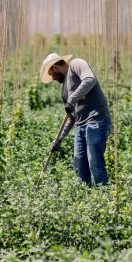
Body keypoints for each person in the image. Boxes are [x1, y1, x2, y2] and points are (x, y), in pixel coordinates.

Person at [40, 53, 112, 187]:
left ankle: (104, 198)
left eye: (51, 74)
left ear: (55, 67)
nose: (53, 78)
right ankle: (87, 200)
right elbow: (71, 116)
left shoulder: (76, 64)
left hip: (96, 121)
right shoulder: (64, 90)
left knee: (95, 163)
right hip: (81, 126)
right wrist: (58, 139)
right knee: (80, 165)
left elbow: (90, 79)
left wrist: (71, 100)